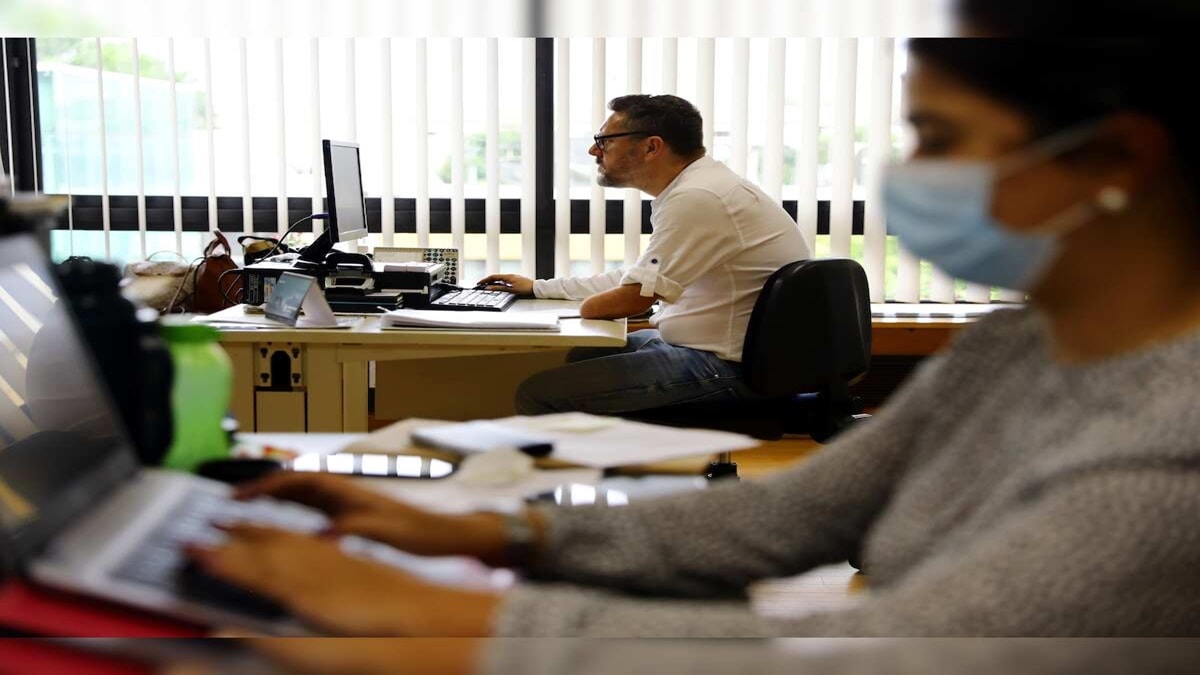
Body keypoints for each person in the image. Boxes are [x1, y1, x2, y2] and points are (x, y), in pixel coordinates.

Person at [186, 18, 1200, 675]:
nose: (909, 173)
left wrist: (446, 618)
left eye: (938, 139)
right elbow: (788, 517)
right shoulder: (1014, 349)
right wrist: (497, 534)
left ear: (1114, 161)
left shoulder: (1169, 449)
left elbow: (889, 655)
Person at [475, 94, 810, 415]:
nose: (594, 150)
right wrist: (539, 288)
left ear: (652, 146)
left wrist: (588, 307)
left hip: (729, 366)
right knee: (584, 354)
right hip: (718, 351)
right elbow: (636, 279)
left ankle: (618, 456)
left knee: (539, 394)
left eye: (605, 141)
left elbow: (632, 298)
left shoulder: (699, 197)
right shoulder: (700, 187)